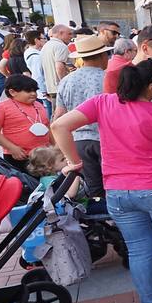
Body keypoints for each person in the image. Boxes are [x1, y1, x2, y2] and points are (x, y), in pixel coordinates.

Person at [52, 59, 152, 303]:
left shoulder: (101, 103)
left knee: (139, 251)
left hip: (118, 191)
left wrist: (74, 162)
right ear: (151, 86)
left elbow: (59, 126)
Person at [55, 34, 110, 202]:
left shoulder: (66, 81)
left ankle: (100, 219)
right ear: (102, 55)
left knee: (94, 188)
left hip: (77, 140)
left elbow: (58, 115)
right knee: (112, 183)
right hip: (106, 139)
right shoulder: (107, 78)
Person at [0, 75, 52, 170]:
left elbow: (47, 127)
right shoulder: (0, 107)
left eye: (35, 91)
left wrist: (56, 147)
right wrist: (12, 148)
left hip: (44, 153)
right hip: (19, 155)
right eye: (28, 91)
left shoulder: (38, 105)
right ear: (12, 92)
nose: (33, 94)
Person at [39, 24, 74, 104]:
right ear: (61, 33)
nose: (71, 36)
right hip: (61, 88)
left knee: (57, 114)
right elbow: (59, 66)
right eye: (69, 34)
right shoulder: (61, 46)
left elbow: (41, 68)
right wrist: (64, 84)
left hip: (51, 87)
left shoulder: (46, 46)